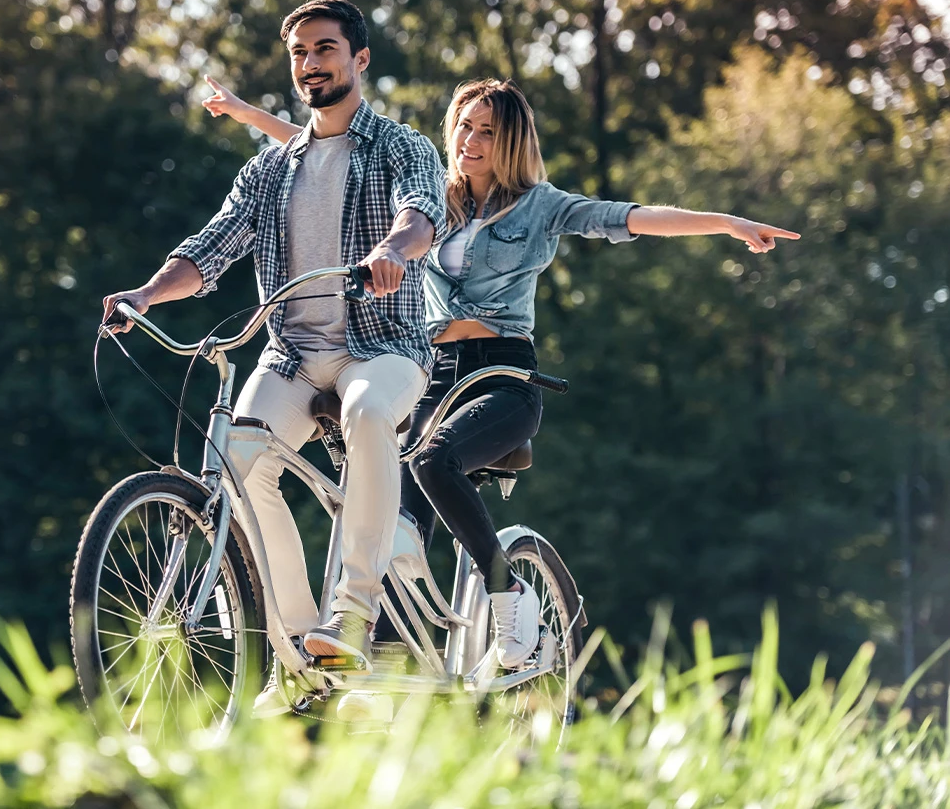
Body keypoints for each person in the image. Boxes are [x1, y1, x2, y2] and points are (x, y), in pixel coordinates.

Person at [203, 75, 799, 720]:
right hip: (429, 370)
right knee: (386, 522)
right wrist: (242, 114)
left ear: (511, 140)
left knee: (432, 461)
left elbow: (630, 217)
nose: (470, 139)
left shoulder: (541, 206)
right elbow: (317, 147)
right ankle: (362, 658)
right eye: (463, 125)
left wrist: (727, 224)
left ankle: (508, 593)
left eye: (487, 130)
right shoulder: (430, 196)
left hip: (502, 377)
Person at [101, 0, 447, 718]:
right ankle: (299, 652)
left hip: (382, 348)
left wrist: (392, 250)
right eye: (299, 53)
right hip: (291, 354)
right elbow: (210, 249)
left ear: (360, 60)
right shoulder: (270, 171)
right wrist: (145, 294)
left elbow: (422, 211)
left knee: (369, 410)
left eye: (325, 49)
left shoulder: (399, 146)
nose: (311, 64)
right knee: (237, 464)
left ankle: (352, 613)